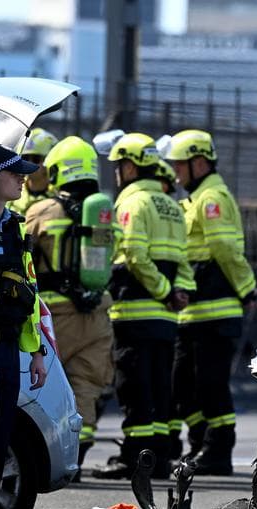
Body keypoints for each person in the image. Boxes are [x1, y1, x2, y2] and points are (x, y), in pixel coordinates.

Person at [95, 133, 193, 480]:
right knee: (160, 389)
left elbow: (134, 255)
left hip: (133, 313)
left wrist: (163, 290)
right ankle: (160, 459)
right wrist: (178, 291)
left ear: (131, 167)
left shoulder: (132, 204)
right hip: (166, 318)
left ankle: (135, 460)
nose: (117, 173)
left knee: (135, 389)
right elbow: (184, 261)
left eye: (119, 165)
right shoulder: (172, 206)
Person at [164, 129, 257, 475]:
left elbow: (224, 249)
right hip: (193, 315)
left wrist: (247, 288)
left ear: (200, 163)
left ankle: (218, 452)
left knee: (211, 386)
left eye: (180, 165)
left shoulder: (211, 198)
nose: (175, 173)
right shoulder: (196, 199)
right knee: (183, 386)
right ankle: (201, 444)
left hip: (215, 313)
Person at [22, 136, 114, 466]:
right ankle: (79, 453)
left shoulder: (41, 211)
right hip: (98, 313)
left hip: (57, 313)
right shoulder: (103, 212)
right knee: (86, 385)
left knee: (46, 384)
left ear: (58, 170)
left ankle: (49, 453)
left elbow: (23, 256)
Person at [0, 144, 48, 491]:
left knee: (1, 432)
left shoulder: (16, 227)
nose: (23, 180)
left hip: (7, 345)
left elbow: (29, 290)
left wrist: (36, 351)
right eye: (15, 173)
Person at [8, 128, 58, 216]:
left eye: (36, 159)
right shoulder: (11, 194)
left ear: (49, 161)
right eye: (25, 158)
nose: (29, 163)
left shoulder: (58, 195)